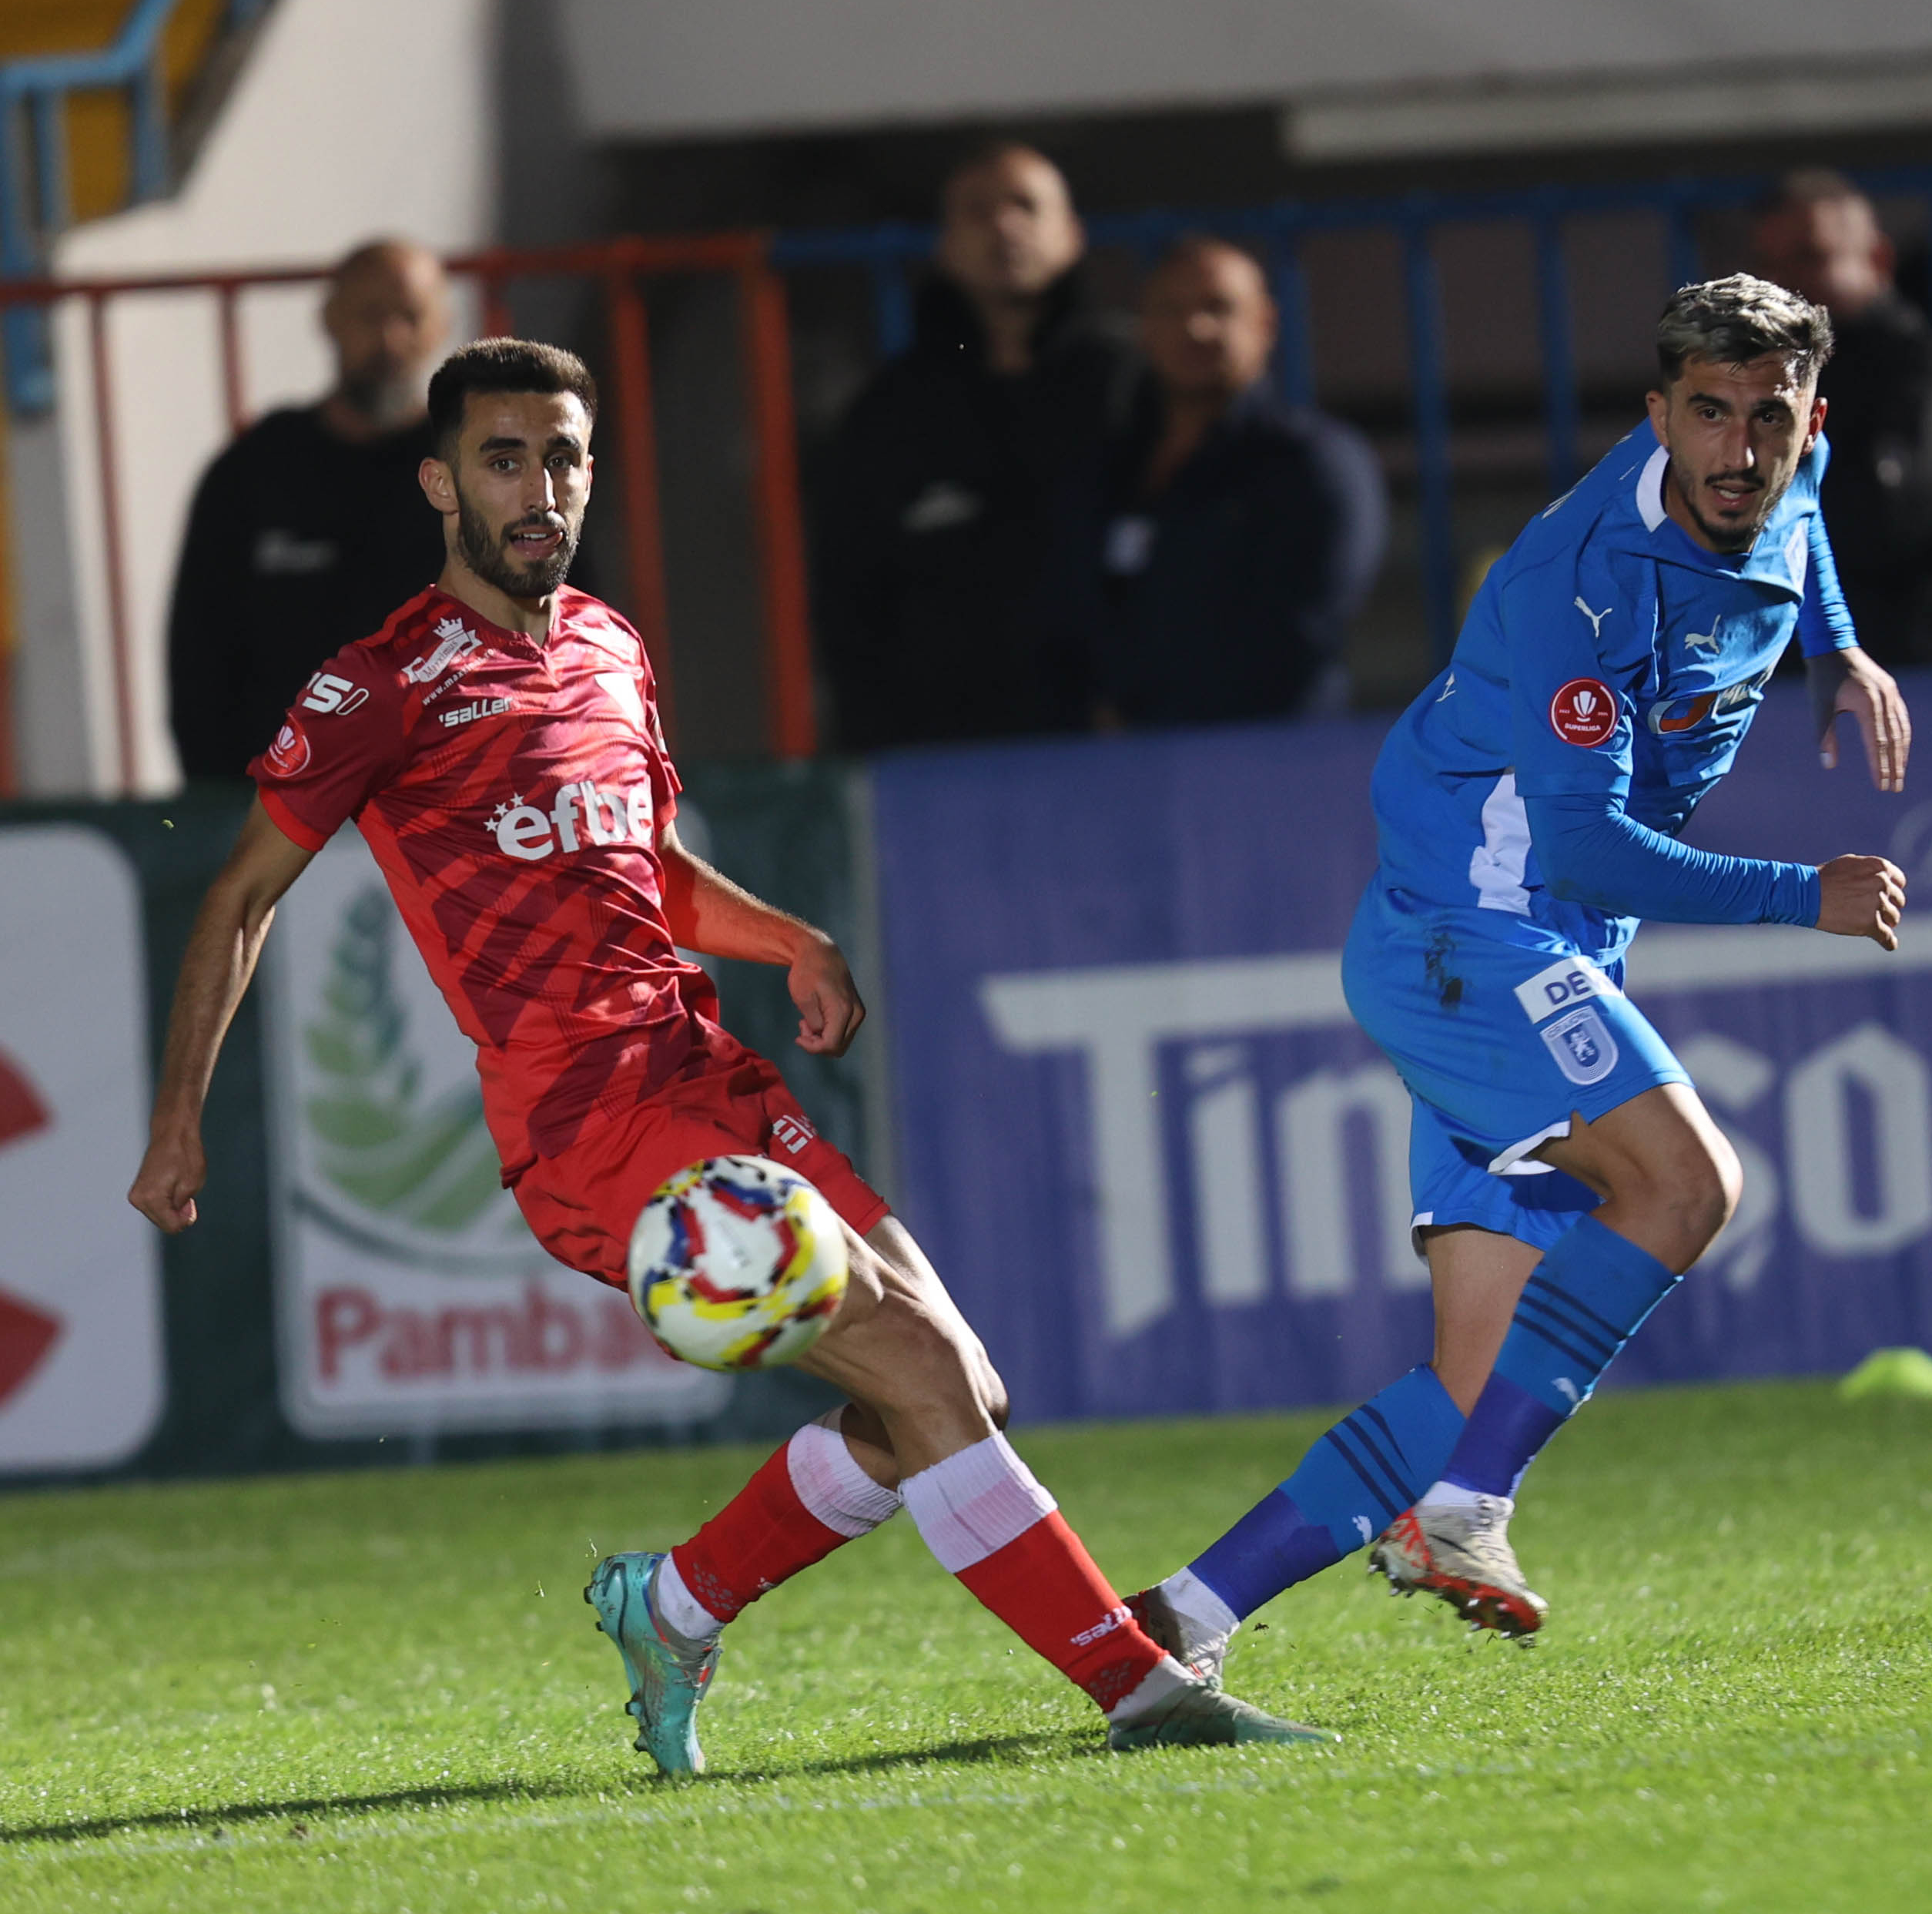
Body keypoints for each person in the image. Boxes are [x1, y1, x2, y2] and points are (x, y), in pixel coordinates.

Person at [126, 337, 1315, 1770]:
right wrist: (178, 1119)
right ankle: (1144, 1695)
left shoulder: (608, 645)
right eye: (504, 459)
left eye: (562, 456)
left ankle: (674, 1603)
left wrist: (788, 940)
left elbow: (647, 872)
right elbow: (240, 894)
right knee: (927, 1377)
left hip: (702, 1070)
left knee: (953, 1397)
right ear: (441, 483)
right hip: (589, 1126)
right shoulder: (387, 681)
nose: (540, 489)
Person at [1123, 278, 1913, 1696]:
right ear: (1656, 414)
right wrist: (1807, 892)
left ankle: (1180, 1614)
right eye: (1710, 417)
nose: (1742, 452)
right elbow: (1589, 846)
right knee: (1685, 1186)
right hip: (1474, 939)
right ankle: (1463, 1515)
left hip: (1522, 946)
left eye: (1771, 418)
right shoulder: (1579, 581)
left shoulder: (1783, 477)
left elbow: (1808, 520)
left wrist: (1837, 644)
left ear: (1809, 417)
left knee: (1476, 1381)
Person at [811, 142, 1142, 750]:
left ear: (1072, 234)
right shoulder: (891, 412)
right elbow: (849, 601)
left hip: (1120, 748)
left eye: (1026, 205)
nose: (1004, 225)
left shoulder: (1133, 386)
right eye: (977, 210)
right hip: (942, 757)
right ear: (944, 244)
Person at [1043, 236, 1386, 728]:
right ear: (1144, 328)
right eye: (1170, 310)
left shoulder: (1313, 463)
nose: (1195, 327)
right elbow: (1073, 622)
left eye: (1218, 307)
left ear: (1265, 322)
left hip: (1266, 765)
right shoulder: (1109, 470)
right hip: (1117, 776)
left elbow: (1300, 636)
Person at [164, 239, 456, 781]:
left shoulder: (490, 476)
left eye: (410, 317)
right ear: (329, 319)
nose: (390, 338)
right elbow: (199, 663)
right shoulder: (252, 474)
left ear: (443, 325)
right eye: (370, 314)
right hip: (288, 814)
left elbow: (565, 642)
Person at [1747, 171, 1932, 665]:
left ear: (1878, 260)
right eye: (1768, 266)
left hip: (1916, 686)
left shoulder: (1926, 378)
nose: (1782, 286)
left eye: (1810, 257)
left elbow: (1881, 525)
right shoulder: (1772, 385)